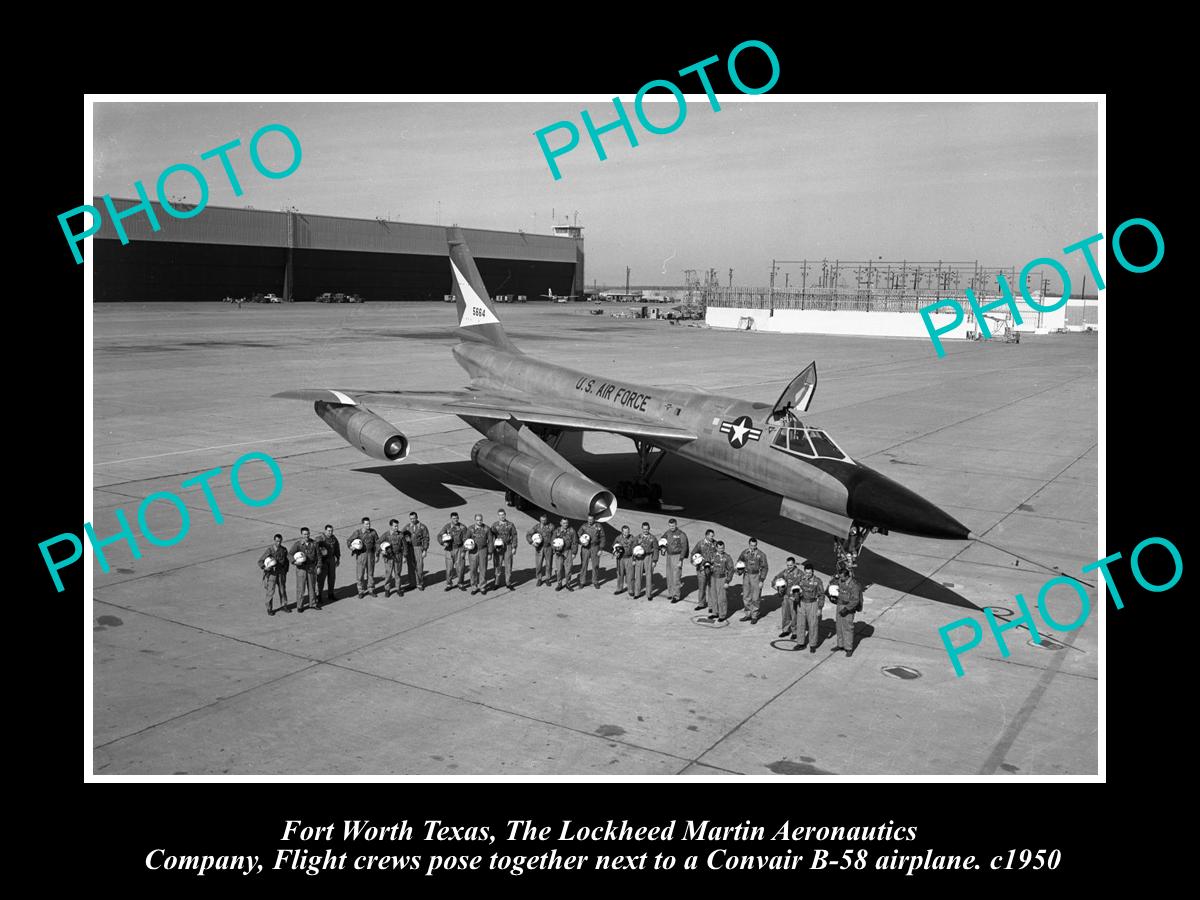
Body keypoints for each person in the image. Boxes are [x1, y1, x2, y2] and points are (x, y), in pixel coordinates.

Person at [830, 571, 863, 656]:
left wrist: (847, 609)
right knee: (839, 625)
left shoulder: (854, 585)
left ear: (847, 576)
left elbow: (855, 600)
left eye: (842, 577)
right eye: (840, 577)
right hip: (840, 605)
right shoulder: (841, 581)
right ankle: (840, 645)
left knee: (848, 628)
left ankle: (848, 648)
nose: (841, 579)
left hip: (848, 608)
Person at [736, 537, 769, 623]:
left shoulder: (761, 554)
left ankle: (754, 615)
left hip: (755, 576)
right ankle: (748, 614)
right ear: (749, 544)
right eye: (751, 545)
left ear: (756, 545)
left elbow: (765, 568)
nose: (752, 547)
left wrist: (761, 580)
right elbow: (740, 561)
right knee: (746, 596)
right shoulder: (745, 552)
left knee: (755, 597)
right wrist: (740, 570)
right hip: (746, 575)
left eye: (754, 546)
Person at [795, 561, 825, 651]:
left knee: (813, 625)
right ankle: (800, 643)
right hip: (801, 603)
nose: (807, 574)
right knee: (800, 624)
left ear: (813, 572)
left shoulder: (817, 581)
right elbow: (795, 588)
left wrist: (820, 608)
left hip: (812, 604)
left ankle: (812, 645)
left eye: (809, 572)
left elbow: (822, 595)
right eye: (806, 572)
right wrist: (795, 595)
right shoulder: (800, 578)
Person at [290, 527, 321, 612]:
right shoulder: (298, 544)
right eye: (304, 534)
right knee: (301, 588)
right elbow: (289, 554)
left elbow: (318, 556)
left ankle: (313, 604)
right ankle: (300, 606)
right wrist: (294, 562)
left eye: (307, 534)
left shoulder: (314, 543)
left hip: (311, 568)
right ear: (301, 535)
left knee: (312, 587)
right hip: (301, 569)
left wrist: (319, 566)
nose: (306, 536)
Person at [258, 533, 290, 615]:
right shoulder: (270, 550)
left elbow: (286, 562)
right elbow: (260, 561)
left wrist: (285, 571)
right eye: (276, 541)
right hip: (272, 574)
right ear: (274, 541)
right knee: (270, 591)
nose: (278, 543)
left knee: (282, 590)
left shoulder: (284, 550)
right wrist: (265, 568)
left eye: (279, 541)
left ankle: (284, 605)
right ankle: (269, 608)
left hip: (281, 573)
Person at [348, 517, 380, 598]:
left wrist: (377, 554)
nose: (368, 525)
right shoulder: (358, 533)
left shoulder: (373, 532)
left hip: (371, 554)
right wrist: (351, 547)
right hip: (361, 555)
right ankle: (361, 591)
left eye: (369, 523)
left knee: (370, 573)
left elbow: (377, 543)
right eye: (366, 524)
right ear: (362, 524)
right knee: (360, 574)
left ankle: (371, 589)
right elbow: (349, 540)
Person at [772, 557, 803, 638]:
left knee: (794, 615)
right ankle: (785, 630)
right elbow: (775, 579)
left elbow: (803, 585)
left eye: (791, 565)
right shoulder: (785, 572)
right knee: (785, 614)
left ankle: (794, 632)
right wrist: (776, 587)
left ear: (794, 564)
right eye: (788, 565)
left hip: (794, 597)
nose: (789, 567)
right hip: (786, 597)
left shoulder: (800, 574)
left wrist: (799, 595)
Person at [661, 518, 690, 603]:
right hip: (669, 556)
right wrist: (663, 548)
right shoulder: (668, 533)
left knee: (676, 576)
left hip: (677, 556)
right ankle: (671, 593)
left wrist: (681, 559)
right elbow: (663, 540)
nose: (671, 527)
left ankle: (676, 596)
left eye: (673, 525)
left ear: (676, 525)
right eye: (670, 526)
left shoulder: (681, 534)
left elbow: (684, 547)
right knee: (669, 575)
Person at [438, 512, 468, 590]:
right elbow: (439, 535)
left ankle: (460, 583)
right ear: (451, 518)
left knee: (460, 568)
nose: (456, 520)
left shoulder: (463, 527)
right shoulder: (447, 527)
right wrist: (443, 543)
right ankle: (449, 584)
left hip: (459, 549)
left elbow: (466, 539)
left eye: (457, 518)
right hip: (449, 549)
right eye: (454, 518)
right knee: (449, 568)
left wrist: (464, 551)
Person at [379, 519, 408, 598]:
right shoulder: (386, 535)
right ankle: (387, 590)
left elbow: (405, 546)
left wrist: (405, 556)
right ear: (391, 526)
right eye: (395, 526)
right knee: (388, 574)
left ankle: (398, 589)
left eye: (397, 526)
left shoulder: (401, 535)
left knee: (397, 573)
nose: (396, 527)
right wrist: (381, 551)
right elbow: (378, 543)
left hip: (398, 556)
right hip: (388, 558)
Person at [707, 541, 735, 621]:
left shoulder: (727, 557)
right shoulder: (712, 555)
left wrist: (727, 581)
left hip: (722, 578)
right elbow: (707, 564)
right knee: (713, 596)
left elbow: (731, 570)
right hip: (713, 577)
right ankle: (715, 613)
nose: (721, 549)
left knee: (722, 598)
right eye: (719, 548)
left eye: (722, 548)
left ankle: (722, 615)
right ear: (716, 548)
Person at [491, 508, 518, 590]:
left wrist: (514, 547)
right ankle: (497, 583)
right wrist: (493, 547)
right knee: (497, 565)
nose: (502, 516)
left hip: (508, 546)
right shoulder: (495, 525)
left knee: (508, 565)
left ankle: (508, 582)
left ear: (505, 515)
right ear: (498, 516)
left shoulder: (510, 525)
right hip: (498, 548)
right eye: (500, 515)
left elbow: (514, 535)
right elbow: (491, 536)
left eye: (503, 515)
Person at [576, 515, 606, 589]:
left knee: (595, 565)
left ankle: (595, 581)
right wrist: (582, 541)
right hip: (585, 548)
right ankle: (582, 582)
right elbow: (578, 534)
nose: (590, 521)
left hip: (595, 547)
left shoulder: (598, 527)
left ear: (594, 519)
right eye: (588, 519)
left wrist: (601, 549)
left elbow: (602, 537)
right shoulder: (584, 526)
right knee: (583, 565)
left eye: (591, 519)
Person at [466, 514, 493, 594]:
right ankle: (474, 586)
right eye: (477, 520)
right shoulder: (470, 529)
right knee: (473, 569)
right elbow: (466, 539)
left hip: (483, 550)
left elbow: (490, 541)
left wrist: (490, 553)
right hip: (473, 551)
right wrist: (466, 547)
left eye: (480, 520)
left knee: (483, 569)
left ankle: (482, 586)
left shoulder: (487, 529)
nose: (479, 521)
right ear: (475, 520)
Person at [404, 511, 429, 591]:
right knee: (411, 567)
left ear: (417, 517)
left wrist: (425, 550)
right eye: (411, 519)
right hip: (410, 548)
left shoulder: (422, 527)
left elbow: (426, 538)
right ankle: (412, 583)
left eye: (414, 518)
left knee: (419, 566)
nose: (412, 520)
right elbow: (402, 535)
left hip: (418, 548)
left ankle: (420, 583)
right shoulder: (407, 527)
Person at [315, 524, 341, 605]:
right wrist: (321, 549)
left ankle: (331, 594)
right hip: (323, 561)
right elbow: (314, 547)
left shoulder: (333, 538)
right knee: (321, 579)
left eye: (331, 531)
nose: (330, 532)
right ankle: (319, 596)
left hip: (331, 560)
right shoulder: (320, 538)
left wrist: (338, 558)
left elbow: (337, 548)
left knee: (332, 578)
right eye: (329, 531)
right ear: (325, 530)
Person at [693, 529, 718, 611]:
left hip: (711, 570)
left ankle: (711, 606)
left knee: (711, 588)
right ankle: (701, 604)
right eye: (711, 536)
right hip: (702, 569)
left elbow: (719, 555)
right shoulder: (700, 544)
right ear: (706, 535)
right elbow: (694, 553)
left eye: (713, 536)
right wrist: (694, 562)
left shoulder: (715, 544)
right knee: (702, 587)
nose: (712, 537)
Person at [632, 522, 658, 599]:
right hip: (639, 558)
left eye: (647, 529)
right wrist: (633, 559)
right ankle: (637, 593)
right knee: (638, 575)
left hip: (648, 556)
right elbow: (633, 548)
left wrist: (654, 561)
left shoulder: (653, 538)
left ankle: (649, 594)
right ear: (642, 529)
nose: (645, 530)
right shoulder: (638, 537)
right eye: (644, 529)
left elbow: (656, 549)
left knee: (649, 576)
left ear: (649, 529)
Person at [527, 513, 555, 586]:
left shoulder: (551, 526)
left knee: (549, 564)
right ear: (540, 519)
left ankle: (548, 579)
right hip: (539, 548)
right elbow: (528, 535)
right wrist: (532, 542)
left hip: (548, 548)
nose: (543, 521)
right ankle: (539, 579)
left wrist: (554, 547)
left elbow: (554, 536)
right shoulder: (537, 527)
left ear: (547, 519)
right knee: (539, 564)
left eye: (545, 520)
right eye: (542, 520)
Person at [551, 518, 576, 591]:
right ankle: (559, 584)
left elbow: (574, 542)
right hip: (559, 552)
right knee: (559, 570)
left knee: (568, 570)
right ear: (560, 523)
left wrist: (574, 553)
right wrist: (555, 549)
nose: (566, 525)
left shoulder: (571, 531)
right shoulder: (557, 531)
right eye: (564, 523)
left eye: (567, 523)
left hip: (568, 552)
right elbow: (552, 541)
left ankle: (568, 584)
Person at [612, 525, 635, 595]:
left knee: (630, 574)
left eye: (627, 531)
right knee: (620, 573)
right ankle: (619, 588)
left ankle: (631, 590)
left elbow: (636, 548)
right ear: (622, 531)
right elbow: (613, 547)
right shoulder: (618, 538)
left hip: (629, 558)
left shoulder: (632, 538)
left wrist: (634, 559)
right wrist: (615, 553)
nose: (626, 533)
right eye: (625, 532)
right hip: (620, 558)